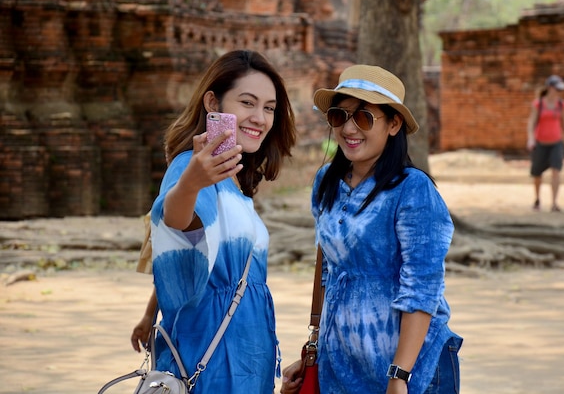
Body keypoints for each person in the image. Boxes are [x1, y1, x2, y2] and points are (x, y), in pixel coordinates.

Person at [281, 65, 462, 394]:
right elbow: (330, 276)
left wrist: (399, 375)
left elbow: (422, 289)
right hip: (341, 368)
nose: (349, 128)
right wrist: (314, 350)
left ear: (394, 124)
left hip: (414, 372)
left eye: (364, 117)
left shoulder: (412, 190)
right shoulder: (326, 183)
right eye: (339, 116)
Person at [130, 49, 296, 393]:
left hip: (248, 353)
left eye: (269, 108)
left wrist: (149, 314)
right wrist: (190, 182)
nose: (260, 118)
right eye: (247, 103)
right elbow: (176, 227)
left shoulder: (233, 180)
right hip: (209, 356)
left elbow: (193, 256)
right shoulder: (191, 168)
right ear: (213, 103)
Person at [526, 74, 564, 212]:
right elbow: (531, 122)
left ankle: (554, 203)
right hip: (540, 143)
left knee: (556, 171)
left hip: (556, 143)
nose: (559, 92)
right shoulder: (538, 104)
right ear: (549, 88)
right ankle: (537, 199)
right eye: (557, 89)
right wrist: (530, 138)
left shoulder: (561, 104)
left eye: (561, 90)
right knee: (537, 173)